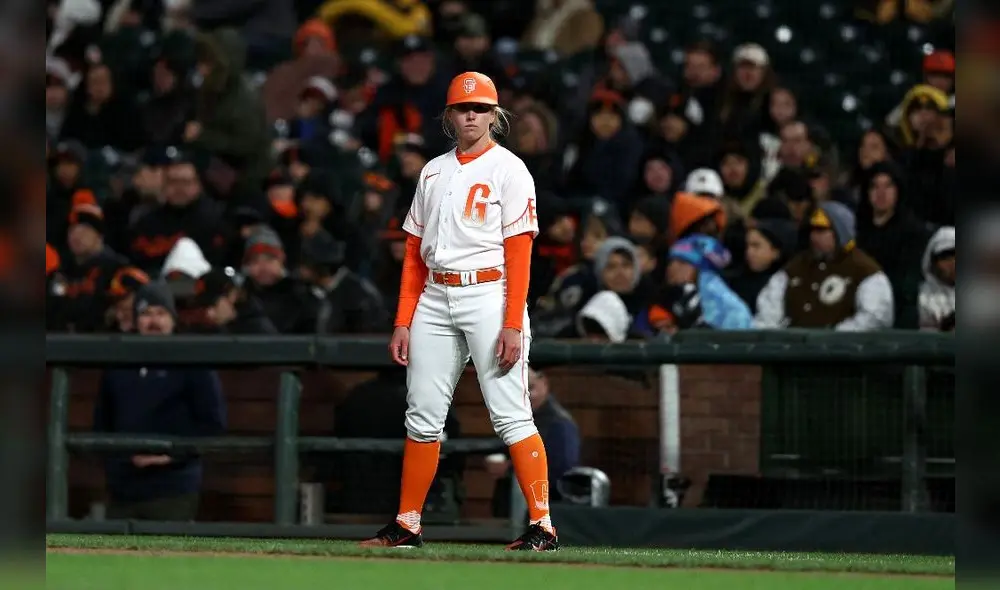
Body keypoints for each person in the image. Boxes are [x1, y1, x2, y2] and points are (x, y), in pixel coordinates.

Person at [361, 71, 557, 551]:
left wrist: (513, 323)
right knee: (422, 416)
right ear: (449, 115)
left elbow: (519, 253)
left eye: (482, 109)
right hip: (433, 296)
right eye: (464, 108)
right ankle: (407, 523)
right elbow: (412, 253)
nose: (472, 115)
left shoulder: (510, 170)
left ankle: (542, 526)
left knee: (511, 415)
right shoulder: (432, 170)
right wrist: (402, 319)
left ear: (495, 115)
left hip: (490, 295)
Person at [92, 282, 226, 520]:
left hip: (173, 488)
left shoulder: (193, 362)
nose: (153, 321)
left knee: (168, 553)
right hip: (123, 488)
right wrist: (120, 461)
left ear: (173, 319)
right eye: (146, 314)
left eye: (161, 313)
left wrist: (171, 454)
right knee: (118, 556)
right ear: (135, 320)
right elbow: (102, 425)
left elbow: (212, 424)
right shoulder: (117, 364)